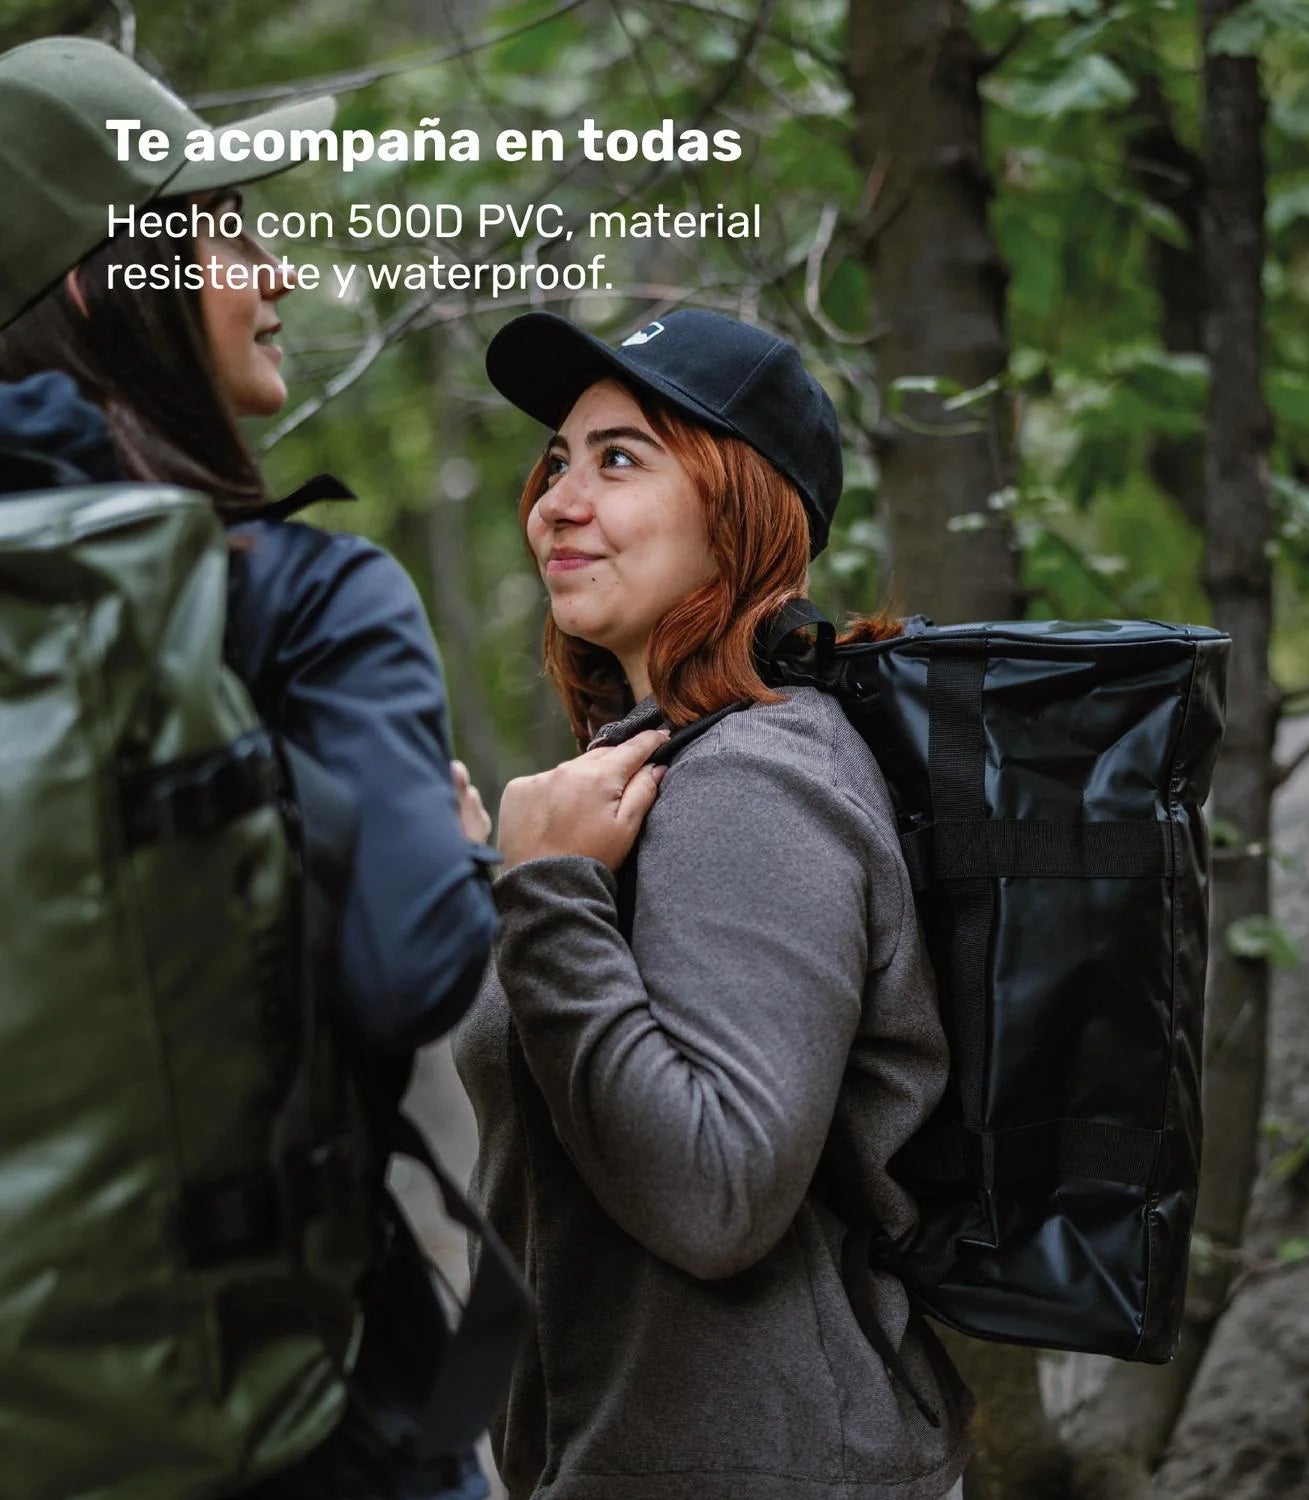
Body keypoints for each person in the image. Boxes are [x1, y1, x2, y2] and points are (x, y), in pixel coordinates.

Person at [0, 36, 661, 1499]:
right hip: (294, 1426)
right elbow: (409, 969)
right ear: (116, 290)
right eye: (223, 232)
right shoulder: (300, 599)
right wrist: (511, 865)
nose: (272, 268)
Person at [455, 308, 973, 1500]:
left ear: (739, 509)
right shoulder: (662, 773)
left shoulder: (757, 781)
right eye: (557, 461)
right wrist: (494, 889)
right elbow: (565, 1135)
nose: (556, 503)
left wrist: (544, 893)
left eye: (619, 458)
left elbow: (716, 1192)